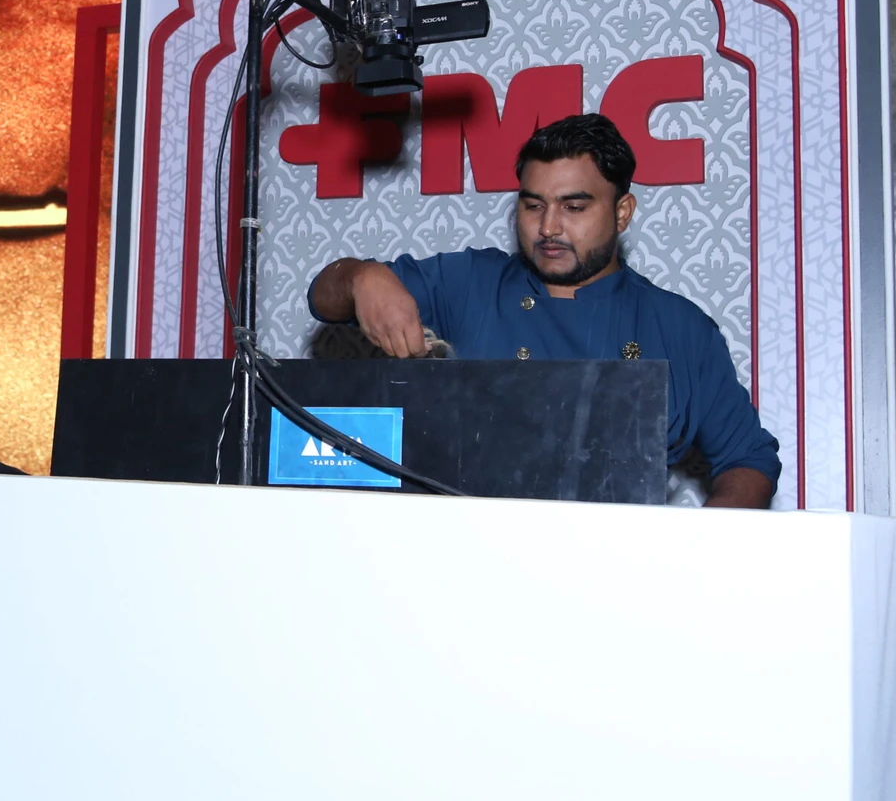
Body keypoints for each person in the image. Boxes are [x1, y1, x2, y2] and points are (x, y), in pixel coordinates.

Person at [306, 113, 778, 509]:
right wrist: (362, 276)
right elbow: (324, 299)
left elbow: (749, 459)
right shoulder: (472, 284)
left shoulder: (678, 326)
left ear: (622, 212)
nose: (549, 227)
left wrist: (696, 552)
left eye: (574, 207)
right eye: (533, 206)